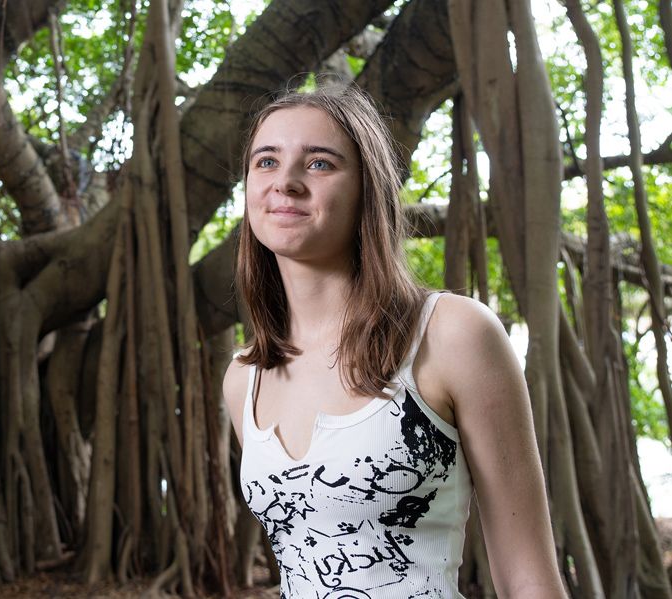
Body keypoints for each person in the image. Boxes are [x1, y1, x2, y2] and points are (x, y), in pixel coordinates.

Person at [221, 84, 566, 599]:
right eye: (266, 161)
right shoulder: (244, 377)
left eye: (318, 164)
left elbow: (528, 580)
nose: (285, 183)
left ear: (368, 189)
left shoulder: (453, 335)